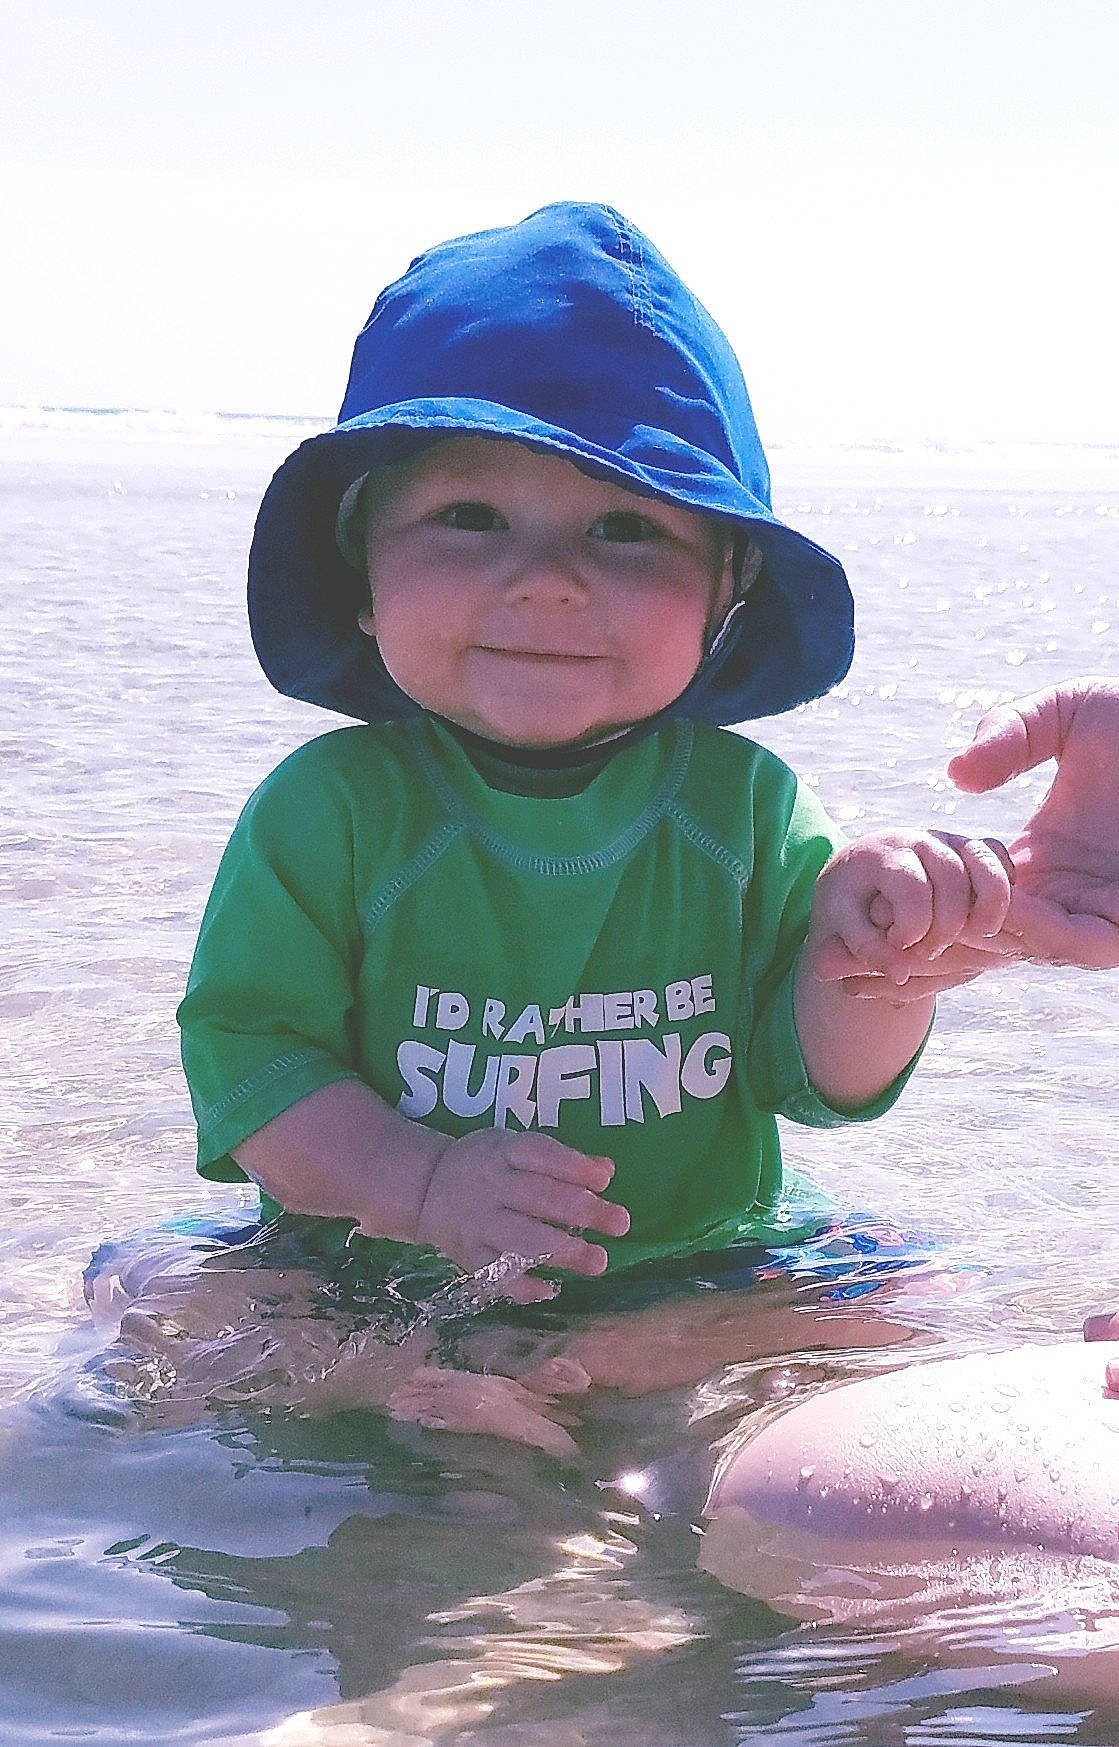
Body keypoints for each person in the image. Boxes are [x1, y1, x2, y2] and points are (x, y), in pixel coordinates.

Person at [161, 202, 1020, 1446]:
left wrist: (881, 962)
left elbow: (822, 1081)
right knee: (162, 1311)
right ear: (359, 573)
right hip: (385, 1266)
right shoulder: (330, 810)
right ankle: (491, 1410)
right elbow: (254, 1071)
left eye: (627, 527)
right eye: (471, 517)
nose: (550, 576)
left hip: (698, 1260)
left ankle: (585, 1375)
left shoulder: (747, 809)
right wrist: (422, 1183)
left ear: (727, 591)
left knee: (918, 1298)